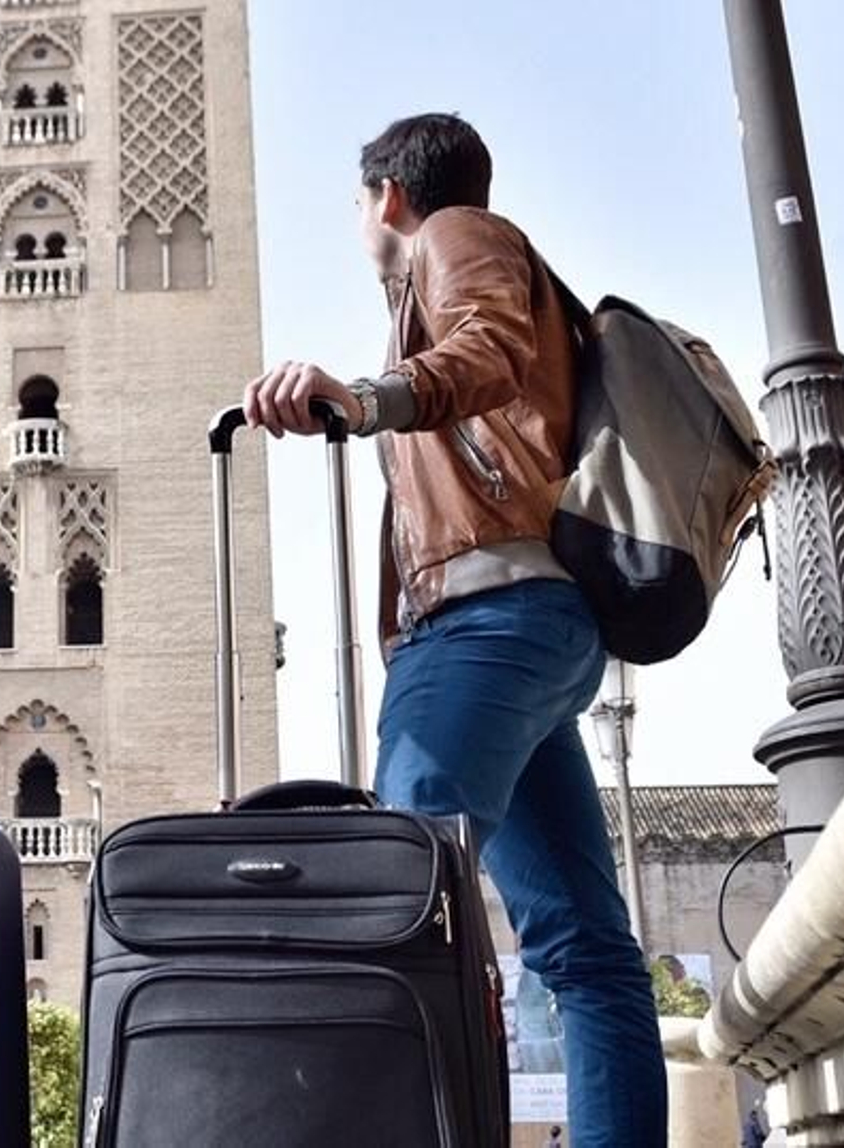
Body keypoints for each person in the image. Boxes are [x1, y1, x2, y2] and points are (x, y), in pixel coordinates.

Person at [243, 113, 667, 1144]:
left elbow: (485, 346)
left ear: (384, 194)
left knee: (391, 901)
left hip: (485, 621)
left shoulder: (455, 236)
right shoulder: (458, 265)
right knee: (582, 948)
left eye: (356, 203)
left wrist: (369, 394)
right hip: (537, 627)